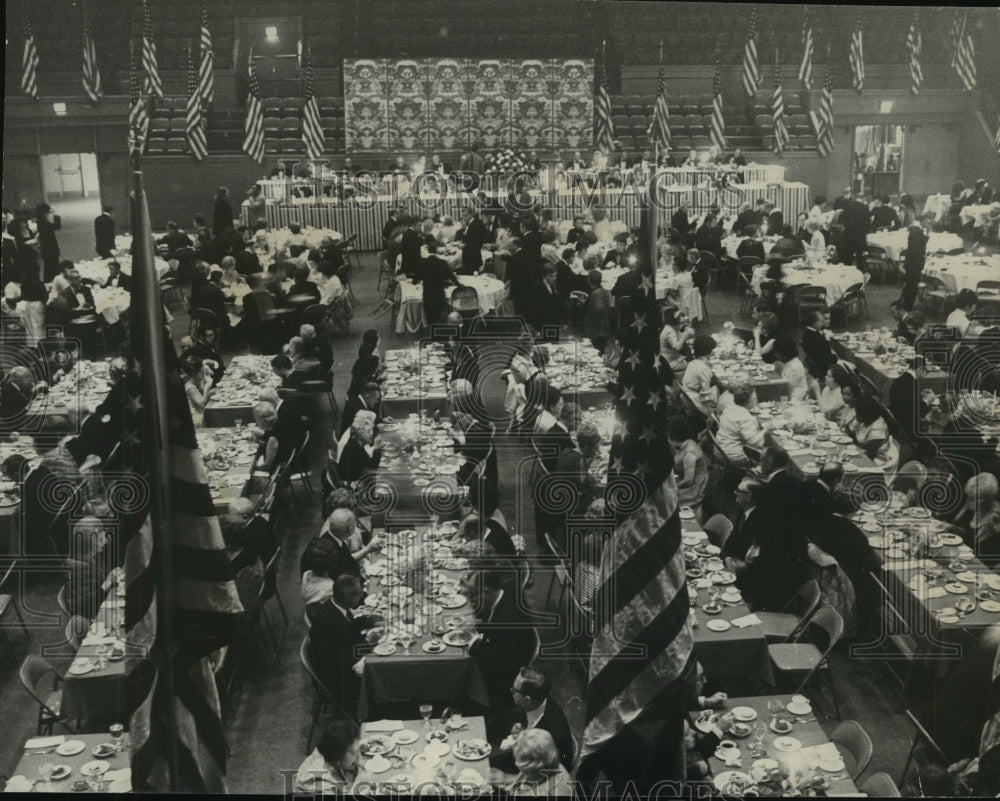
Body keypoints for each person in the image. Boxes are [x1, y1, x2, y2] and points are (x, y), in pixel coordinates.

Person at [462, 562, 538, 708]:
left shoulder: (508, 616)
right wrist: (478, 625)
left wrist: (472, 641)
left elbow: (496, 657)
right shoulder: (503, 595)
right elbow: (496, 629)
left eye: (472, 595)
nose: (471, 600)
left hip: (506, 671)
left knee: (462, 667)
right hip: (505, 650)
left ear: (486, 591)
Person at [307, 574, 371, 716]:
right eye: (359, 594)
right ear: (349, 597)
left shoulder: (335, 606)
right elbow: (344, 658)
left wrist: (368, 620)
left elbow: (347, 629)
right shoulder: (329, 621)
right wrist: (368, 643)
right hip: (340, 678)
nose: (362, 596)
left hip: (341, 660)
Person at [489, 666, 574, 773]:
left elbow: (546, 774)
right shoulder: (538, 700)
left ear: (527, 699)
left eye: (515, 689)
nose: (510, 689)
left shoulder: (552, 732)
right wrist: (522, 729)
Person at [64, 518, 115, 620]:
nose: (105, 541)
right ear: (88, 544)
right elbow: (86, 606)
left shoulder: (94, 556)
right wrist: (108, 582)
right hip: (89, 619)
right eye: (101, 539)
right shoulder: (79, 566)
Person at [294, 719, 361, 793]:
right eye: (354, 753)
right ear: (339, 755)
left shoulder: (327, 752)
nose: (357, 757)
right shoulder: (321, 786)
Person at [507, 729, 574, 797]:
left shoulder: (547, 794)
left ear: (530, 766)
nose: (516, 762)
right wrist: (505, 777)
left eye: (519, 759)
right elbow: (524, 780)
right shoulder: (549, 763)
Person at [716, 382, 768, 467]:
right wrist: (766, 429)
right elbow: (753, 442)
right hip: (735, 456)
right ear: (747, 401)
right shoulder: (744, 417)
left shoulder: (730, 407)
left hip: (721, 448)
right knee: (772, 456)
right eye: (755, 398)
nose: (757, 400)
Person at [852, 396, 900, 481]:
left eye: (857, 412)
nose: (855, 415)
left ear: (865, 413)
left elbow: (869, 456)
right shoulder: (864, 420)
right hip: (864, 451)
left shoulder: (878, 427)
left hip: (878, 460)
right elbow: (851, 435)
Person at [668, 416, 708, 511]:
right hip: (689, 480)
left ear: (673, 439)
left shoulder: (689, 454)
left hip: (696, 487)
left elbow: (688, 480)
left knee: (668, 499)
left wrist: (673, 487)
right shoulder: (688, 442)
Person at [959, 473, 1000, 566]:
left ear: (986, 500)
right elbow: (965, 533)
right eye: (968, 496)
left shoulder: (996, 522)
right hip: (962, 561)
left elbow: (991, 561)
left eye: (972, 498)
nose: (967, 501)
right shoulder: (971, 509)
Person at [338, 410, 381, 486]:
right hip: (353, 486)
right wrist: (377, 449)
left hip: (356, 480)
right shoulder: (355, 449)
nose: (372, 434)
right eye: (368, 431)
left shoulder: (355, 443)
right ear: (360, 433)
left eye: (371, 430)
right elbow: (372, 469)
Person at [681, 335, 719, 416]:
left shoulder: (693, 362)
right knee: (717, 389)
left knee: (715, 386)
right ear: (707, 351)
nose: (713, 352)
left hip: (687, 395)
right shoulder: (704, 369)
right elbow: (706, 394)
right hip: (695, 401)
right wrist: (713, 408)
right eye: (712, 349)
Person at [800, 309, 837, 381]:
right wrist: (836, 358)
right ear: (815, 322)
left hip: (819, 364)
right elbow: (823, 357)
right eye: (821, 321)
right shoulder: (814, 337)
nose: (823, 323)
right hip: (824, 367)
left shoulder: (808, 333)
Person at [181, 354, 214, 426]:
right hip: (196, 419)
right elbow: (201, 404)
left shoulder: (193, 384)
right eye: (202, 373)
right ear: (197, 373)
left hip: (199, 413)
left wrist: (209, 393)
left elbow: (201, 400)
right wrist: (207, 388)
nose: (203, 375)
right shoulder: (190, 387)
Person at [659, 307, 694, 374]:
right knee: (693, 364)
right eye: (682, 323)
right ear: (675, 323)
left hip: (674, 358)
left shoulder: (672, 327)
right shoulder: (669, 332)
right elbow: (677, 347)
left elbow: (680, 336)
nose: (684, 324)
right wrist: (684, 335)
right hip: (669, 363)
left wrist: (687, 332)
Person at [35, 203, 62, 281]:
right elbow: (57, 226)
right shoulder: (43, 223)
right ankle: (51, 281)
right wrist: (55, 215)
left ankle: (50, 281)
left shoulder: (41, 221)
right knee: (52, 267)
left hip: (47, 249)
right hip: (50, 249)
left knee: (49, 267)